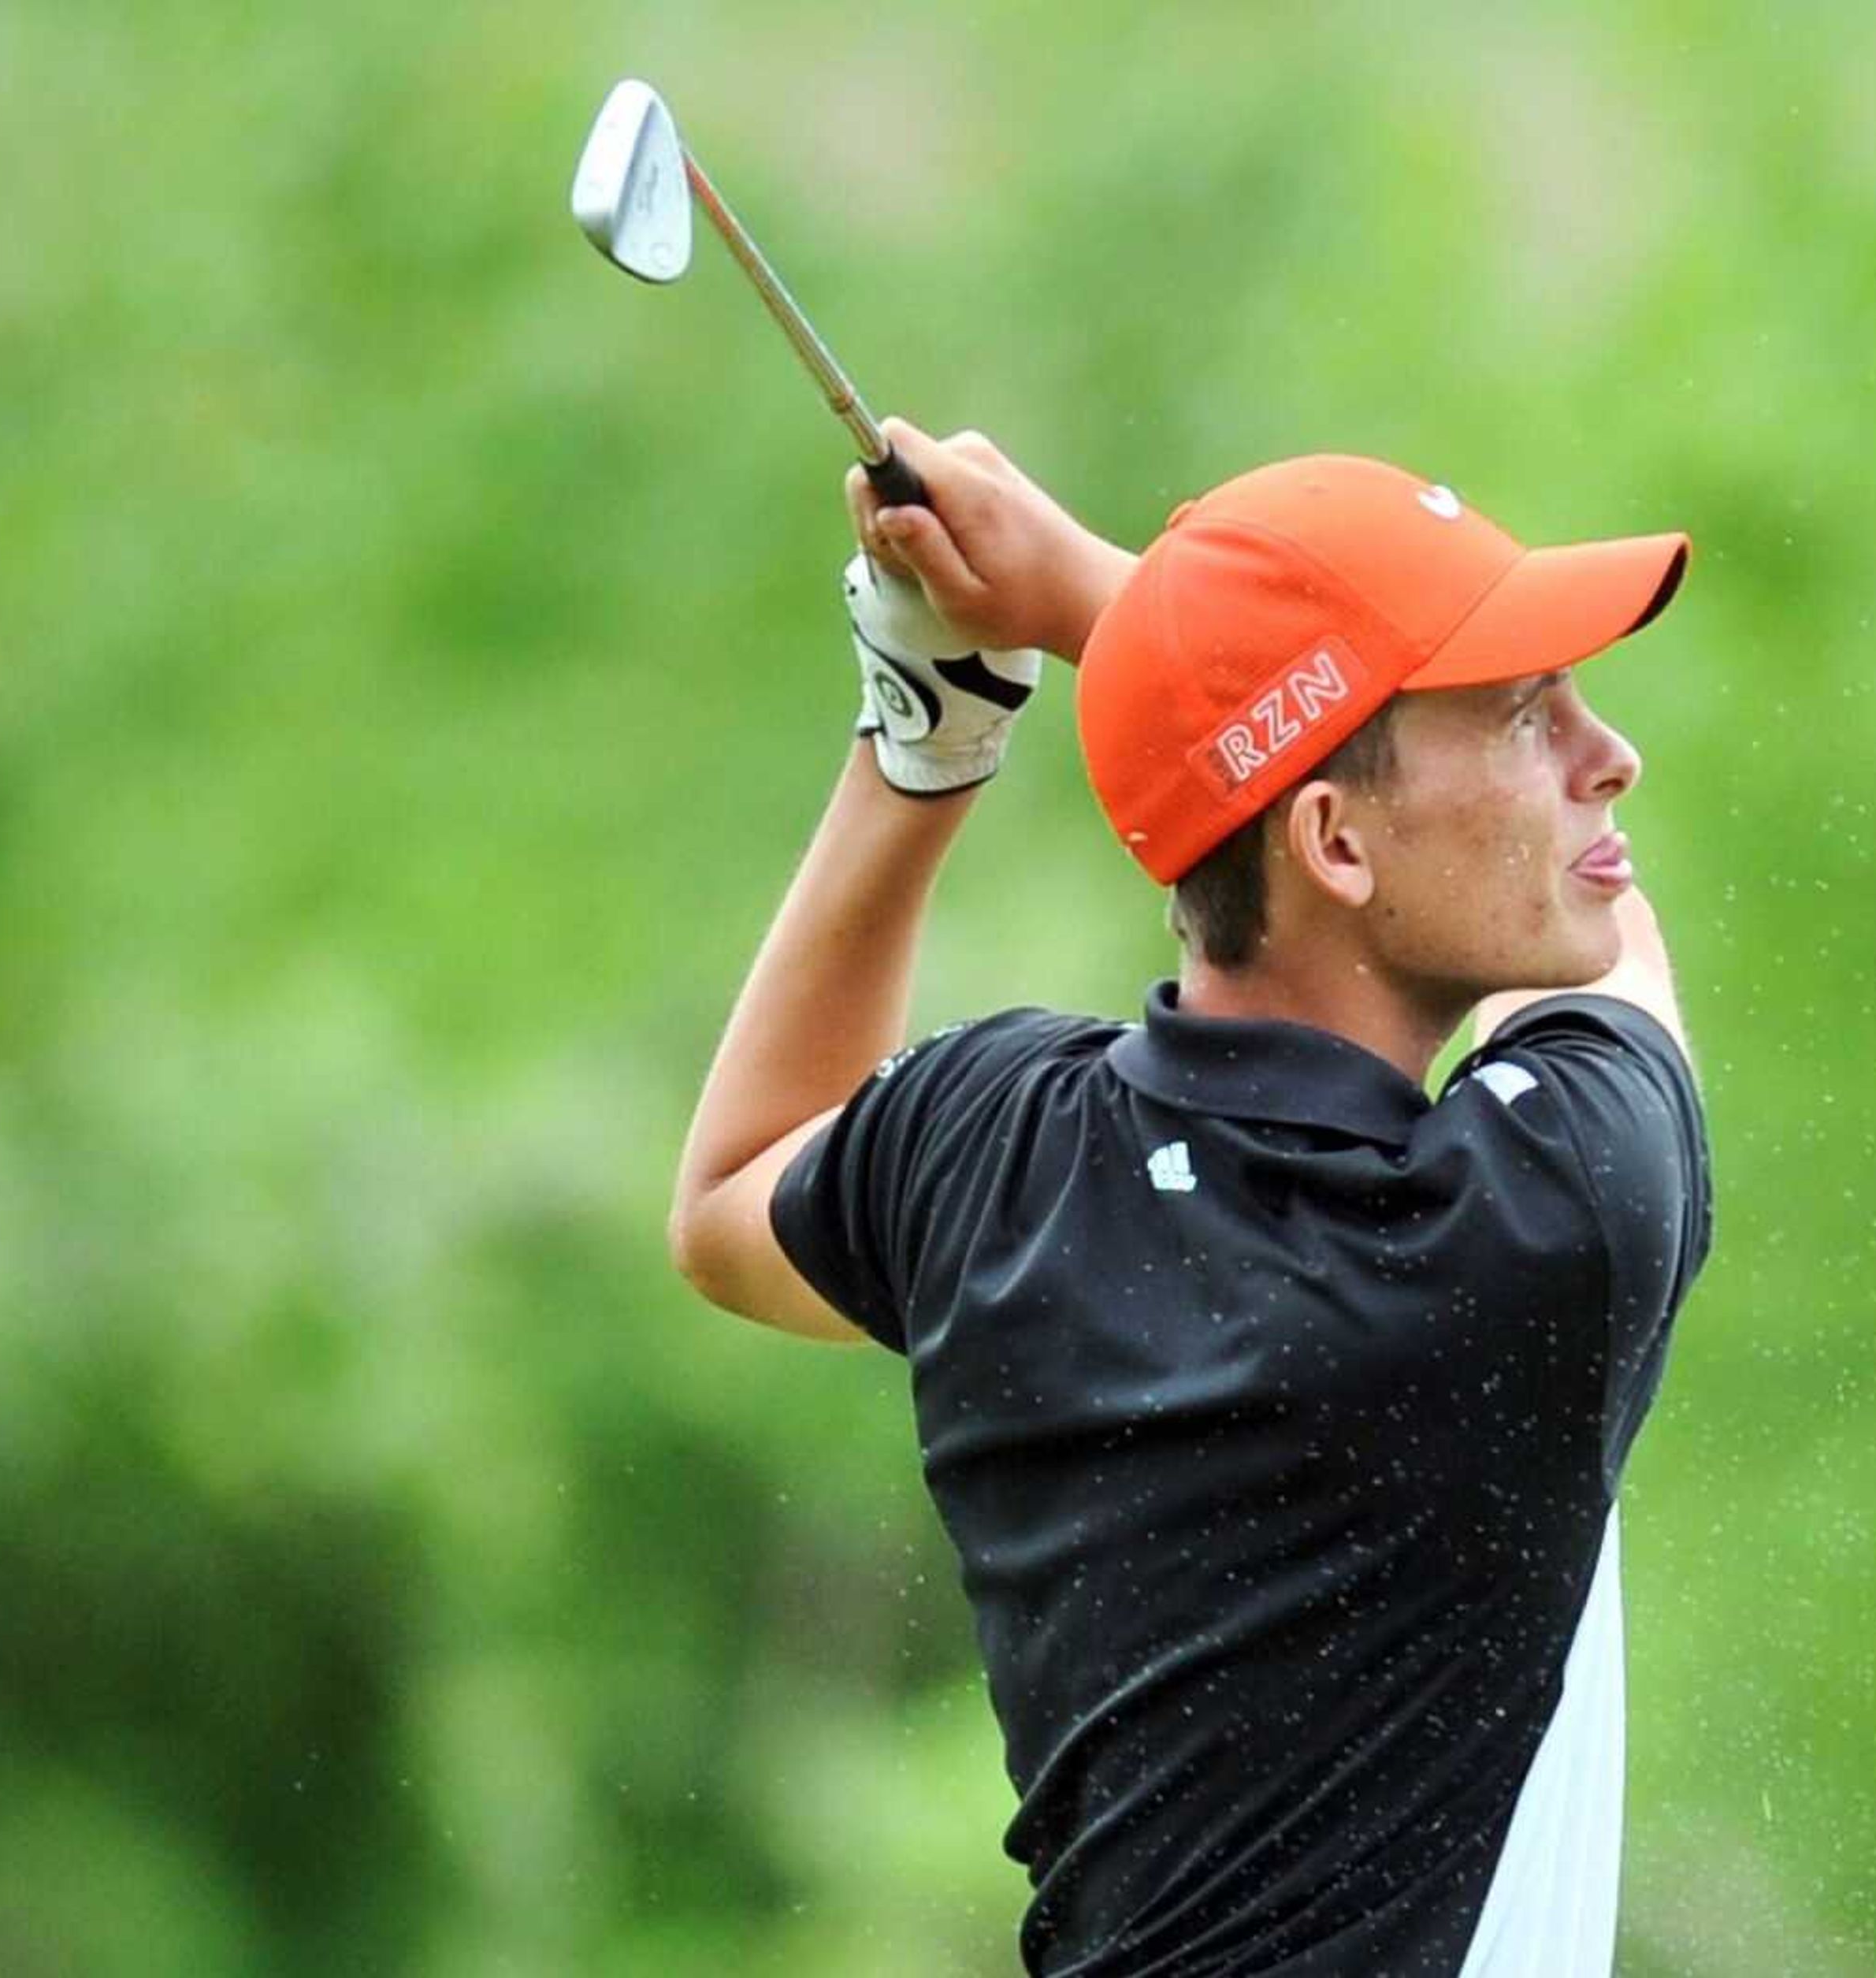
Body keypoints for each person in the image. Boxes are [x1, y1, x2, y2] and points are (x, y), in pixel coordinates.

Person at [668, 416, 1714, 1976]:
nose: (1601, 754)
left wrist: (924, 744)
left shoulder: (993, 1145)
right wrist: (1096, 601)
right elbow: (1614, 941)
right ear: (1335, 839)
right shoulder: (1528, 1224)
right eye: (1516, 713)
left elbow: (732, 1198)